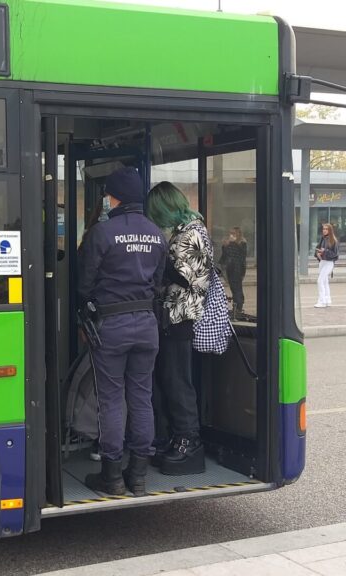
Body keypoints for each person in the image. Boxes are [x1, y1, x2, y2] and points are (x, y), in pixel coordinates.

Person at [77, 167, 166, 496]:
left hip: (111, 326)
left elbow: (84, 284)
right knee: (141, 398)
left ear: (113, 197)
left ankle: (112, 477)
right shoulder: (157, 234)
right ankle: (138, 476)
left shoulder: (103, 233)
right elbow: (158, 284)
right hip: (146, 325)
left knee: (112, 400)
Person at [146, 181, 212, 475]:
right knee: (169, 380)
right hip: (174, 316)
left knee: (178, 383)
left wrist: (158, 255)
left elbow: (184, 277)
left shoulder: (191, 233)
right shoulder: (187, 231)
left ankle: (189, 441)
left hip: (181, 316)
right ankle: (177, 437)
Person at [220, 227, 247, 317]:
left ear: (238, 234)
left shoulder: (242, 243)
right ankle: (236, 307)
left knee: (237, 288)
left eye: (233, 233)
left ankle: (238, 307)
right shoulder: (228, 243)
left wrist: (235, 243)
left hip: (237, 268)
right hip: (229, 268)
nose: (231, 235)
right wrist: (225, 245)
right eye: (230, 233)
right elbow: (225, 255)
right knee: (234, 288)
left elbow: (242, 256)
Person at [314, 223, 339, 308]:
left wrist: (324, 252)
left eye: (326, 229)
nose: (324, 230)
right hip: (322, 261)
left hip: (329, 263)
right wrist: (318, 253)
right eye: (323, 229)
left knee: (320, 281)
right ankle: (327, 300)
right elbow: (318, 249)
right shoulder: (323, 239)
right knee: (324, 281)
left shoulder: (333, 241)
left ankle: (322, 301)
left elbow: (335, 255)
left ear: (330, 230)